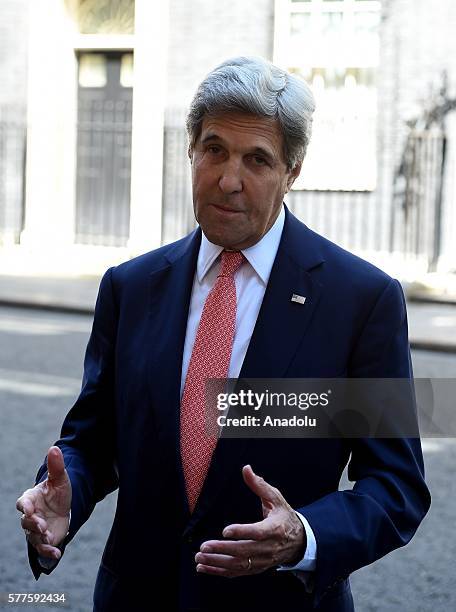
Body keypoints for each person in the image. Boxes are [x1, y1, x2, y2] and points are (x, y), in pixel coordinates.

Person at [16, 56, 430, 612]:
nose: (228, 179)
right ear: (191, 151)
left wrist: (304, 535)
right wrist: (67, 493)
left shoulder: (361, 300)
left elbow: (395, 486)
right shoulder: (131, 287)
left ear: (293, 172)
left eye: (257, 159)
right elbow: (97, 438)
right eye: (214, 149)